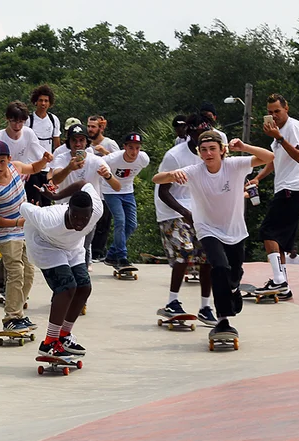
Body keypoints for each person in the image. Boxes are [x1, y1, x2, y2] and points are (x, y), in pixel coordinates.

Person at [153, 132, 273, 339]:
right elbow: (157, 178)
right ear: (199, 153)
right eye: (204, 150)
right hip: (207, 229)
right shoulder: (194, 171)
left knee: (234, 274)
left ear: (222, 150)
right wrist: (173, 174)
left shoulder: (235, 165)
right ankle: (222, 320)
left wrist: (244, 147)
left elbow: (269, 157)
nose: (208, 154)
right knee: (219, 267)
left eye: (212, 149)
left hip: (235, 230)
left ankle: (234, 289)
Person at [22, 180, 102, 357]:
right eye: (75, 217)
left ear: (92, 213)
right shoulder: (49, 219)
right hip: (44, 245)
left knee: (84, 288)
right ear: (68, 210)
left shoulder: (97, 209)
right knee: (66, 288)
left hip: (72, 246)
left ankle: (64, 335)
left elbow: (84, 182)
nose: (80, 223)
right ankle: (49, 342)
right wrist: (45, 200)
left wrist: (57, 194)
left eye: (84, 218)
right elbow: (24, 208)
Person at [155, 114, 217, 325]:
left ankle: (205, 306)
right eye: (200, 135)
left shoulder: (209, 156)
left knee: (208, 254)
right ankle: (172, 302)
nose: (205, 142)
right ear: (190, 133)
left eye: (208, 136)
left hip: (197, 210)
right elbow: (163, 192)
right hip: (171, 211)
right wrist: (185, 212)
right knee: (185, 249)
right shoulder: (174, 156)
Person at [0, 140, 49, 331]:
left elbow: (34, 168)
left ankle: (18, 313)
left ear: (9, 159)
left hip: (24, 229)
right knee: (15, 271)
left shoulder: (16, 168)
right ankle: (10, 317)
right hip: (6, 234)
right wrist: (16, 222)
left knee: (29, 272)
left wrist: (44, 160)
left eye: (1, 161)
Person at [248, 94, 299, 297]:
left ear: (286, 108)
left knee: (268, 232)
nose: (274, 116)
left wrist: (280, 138)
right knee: (279, 242)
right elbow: (274, 160)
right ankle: (282, 283)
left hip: (292, 188)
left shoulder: (292, 127)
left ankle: (279, 280)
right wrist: (259, 178)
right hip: (284, 188)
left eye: (277, 111)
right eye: (270, 113)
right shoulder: (279, 132)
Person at [49, 124, 120, 267]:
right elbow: (55, 179)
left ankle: (84, 270)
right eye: (74, 140)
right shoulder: (62, 158)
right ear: (68, 142)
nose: (78, 144)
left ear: (86, 142)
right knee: (64, 246)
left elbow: (117, 186)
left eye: (81, 140)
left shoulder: (96, 160)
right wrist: (69, 168)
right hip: (64, 209)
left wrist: (107, 176)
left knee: (84, 247)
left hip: (88, 212)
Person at [101, 133, 150, 268]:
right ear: (124, 147)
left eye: (137, 148)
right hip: (111, 191)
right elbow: (98, 163)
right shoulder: (112, 159)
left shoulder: (143, 159)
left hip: (128, 191)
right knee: (120, 220)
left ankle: (111, 255)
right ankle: (122, 257)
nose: (134, 152)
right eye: (131, 148)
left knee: (132, 224)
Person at [0, 101, 51, 205]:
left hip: (21, 184)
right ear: (7, 119)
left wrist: (46, 159)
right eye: (14, 121)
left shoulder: (28, 133)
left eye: (21, 122)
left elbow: (40, 160)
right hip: (1, 184)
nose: (17, 126)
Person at [86, 115, 119, 262]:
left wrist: (105, 152)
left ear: (101, 128)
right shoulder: (85, 145)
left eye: (94, 126)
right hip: (91, 187)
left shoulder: (109, 143)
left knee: (103, 223)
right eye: (89, 126)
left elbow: (121, 161)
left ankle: (99, 252)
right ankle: (88, 251)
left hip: (107, 188)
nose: (90, 129)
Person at [27, 85, 61, 206]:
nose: (43, 103)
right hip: (32, 167)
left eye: (46, 101)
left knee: (47, 201)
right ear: (35, 101)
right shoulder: (29, 119)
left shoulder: (53, 119)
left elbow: (57, 144)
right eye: (41, 100)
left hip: (47, 169)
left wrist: (57, 165)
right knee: (35, 201)